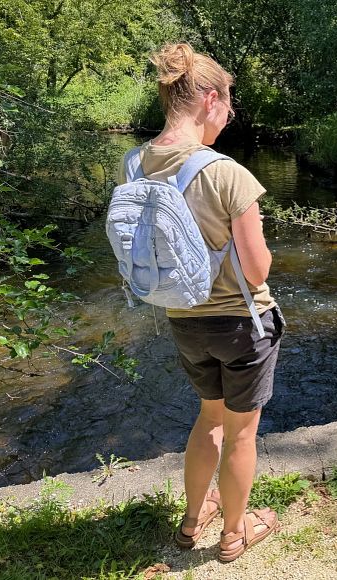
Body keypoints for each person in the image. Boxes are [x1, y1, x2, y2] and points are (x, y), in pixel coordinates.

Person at [118, 43, 281, 562]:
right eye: (228, 104)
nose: (229, 116)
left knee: (207, 418)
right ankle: (235, 533)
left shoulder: (134, 165)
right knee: (241, 433)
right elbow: (257, 270)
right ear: (209, 99)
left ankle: (192, 521)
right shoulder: (226, 173)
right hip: (242, 324)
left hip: (183, 319)